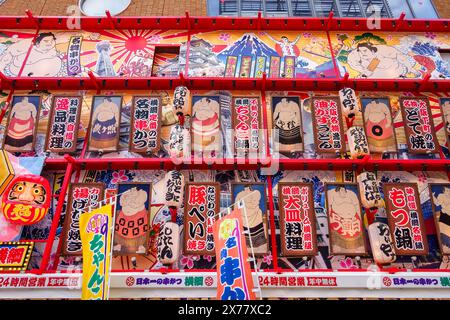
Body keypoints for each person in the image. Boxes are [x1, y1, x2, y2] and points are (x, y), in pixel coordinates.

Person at [0, 32, 64, 77]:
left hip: (38, 74)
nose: (50, 43)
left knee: (56, 60)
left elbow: (62, 38)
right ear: (38, 43)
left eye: (52, 40)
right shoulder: (24, 45)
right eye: (46, 41)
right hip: (17, 71)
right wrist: (1, 69)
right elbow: (9, 54)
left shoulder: (52, 51)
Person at [347, 42, 420, 78]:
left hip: (400, 69)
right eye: (360, 51)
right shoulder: (358, 59)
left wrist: (410, 69)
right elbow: (366, 72)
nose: (362, 53)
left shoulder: (379, 55)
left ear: (372, 50)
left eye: (365, 51)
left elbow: (400, 56)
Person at [113, 187, 149, 255]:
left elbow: (138, 203)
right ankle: (119, 244)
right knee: (120, 229)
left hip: (138, 215)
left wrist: (131, 202)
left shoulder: (142, 193)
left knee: (140, 230)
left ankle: (141, 246)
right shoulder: (126, 193)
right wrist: (126, 199)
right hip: (124, 214)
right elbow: (121, 202)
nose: (133, 190)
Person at [328, 186, 364, 252]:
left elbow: (357, 206)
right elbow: (329, 207)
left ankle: (358, 247)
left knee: (356, 232)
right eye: (341, 190)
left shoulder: (351, 195)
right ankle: (337, 246)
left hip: (352, 218)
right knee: (337, 232)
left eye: (344, 190)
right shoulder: (332, 195)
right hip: (338, 218)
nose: (343, 192)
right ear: (338, 191)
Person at [235, 186, 267, 253]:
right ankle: (253, 243)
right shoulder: (255, 193)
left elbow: (236, 205)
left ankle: (251, 243)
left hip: (248, 213)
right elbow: (236, 205)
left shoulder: (241, 194)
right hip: (249, 213)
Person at [433, 187, 450, 252]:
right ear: (444, 191)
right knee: (444, 235)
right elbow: (437, 203)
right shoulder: (442, 196)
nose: (449, 192)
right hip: (445, 216)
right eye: (447, 190)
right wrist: (433, 196)